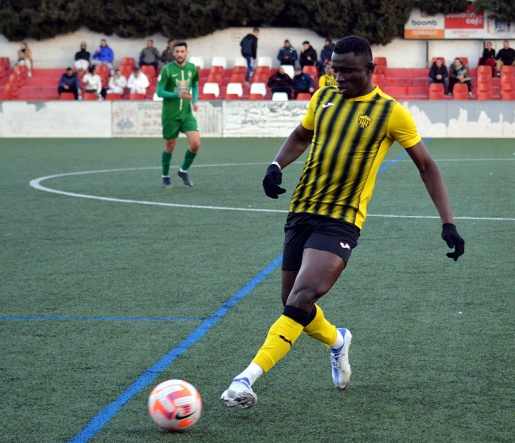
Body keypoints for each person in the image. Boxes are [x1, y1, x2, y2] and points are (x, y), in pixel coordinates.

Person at [220, 35, 464, 410]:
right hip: (301, 211)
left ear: (370, 69)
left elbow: (427, 166)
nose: (339, 78)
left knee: (302, 297)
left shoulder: (389, 112)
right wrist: (275, 165)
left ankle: (245, 379)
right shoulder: (323, 97)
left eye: (348, 71)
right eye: (335, 70)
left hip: (341, 219)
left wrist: (447, 222)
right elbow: (302, 135)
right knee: (292, 303)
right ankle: (338, 341)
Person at [156, 41, 200, 188]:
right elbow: (159, 92)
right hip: (170, 115)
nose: (180, 54)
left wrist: (194, 100)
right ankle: (165, 176)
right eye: (177, 52)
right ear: (173, 53)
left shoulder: (192, 68)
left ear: (186, 52)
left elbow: (194, 84)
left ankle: (183, 171)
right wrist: (177, 94)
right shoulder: (167, 70)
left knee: (195, 143)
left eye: (182, 51)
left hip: (186, 114)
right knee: (170, 146)